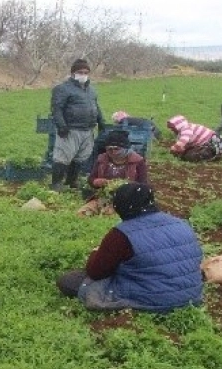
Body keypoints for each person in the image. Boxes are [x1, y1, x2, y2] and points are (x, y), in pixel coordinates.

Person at [56, 183, 204, 312]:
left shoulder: (121, 235)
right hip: (191, 296)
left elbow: (95, 272)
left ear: (120, 206)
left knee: (69, 280)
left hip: (154, 298)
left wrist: (95, 252)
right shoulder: (180, 223)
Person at [49, 58, 106, 192]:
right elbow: (56, 108)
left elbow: (95, 106)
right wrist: (61, 126)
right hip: (71, 128)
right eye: (80, 72)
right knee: (63, 156)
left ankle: (71, 181)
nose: (83, 74)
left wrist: (101, 121)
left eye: (86, 72)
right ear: (73, 72)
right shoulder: (62, 89)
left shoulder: (91, 90)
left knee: (81, 156)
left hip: (87, 129)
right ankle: (56, 183)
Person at [79, 130, 149, 216]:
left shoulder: (137, 161)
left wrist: (127, 186)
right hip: (103, 197)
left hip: (126, 200)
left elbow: (143, 185)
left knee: (110, 215)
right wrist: (96, 181)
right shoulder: (102, 159)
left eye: (117, 149)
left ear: (126, 148)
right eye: (109, 149)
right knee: (82, 213)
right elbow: (91, 179)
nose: (113, 152)